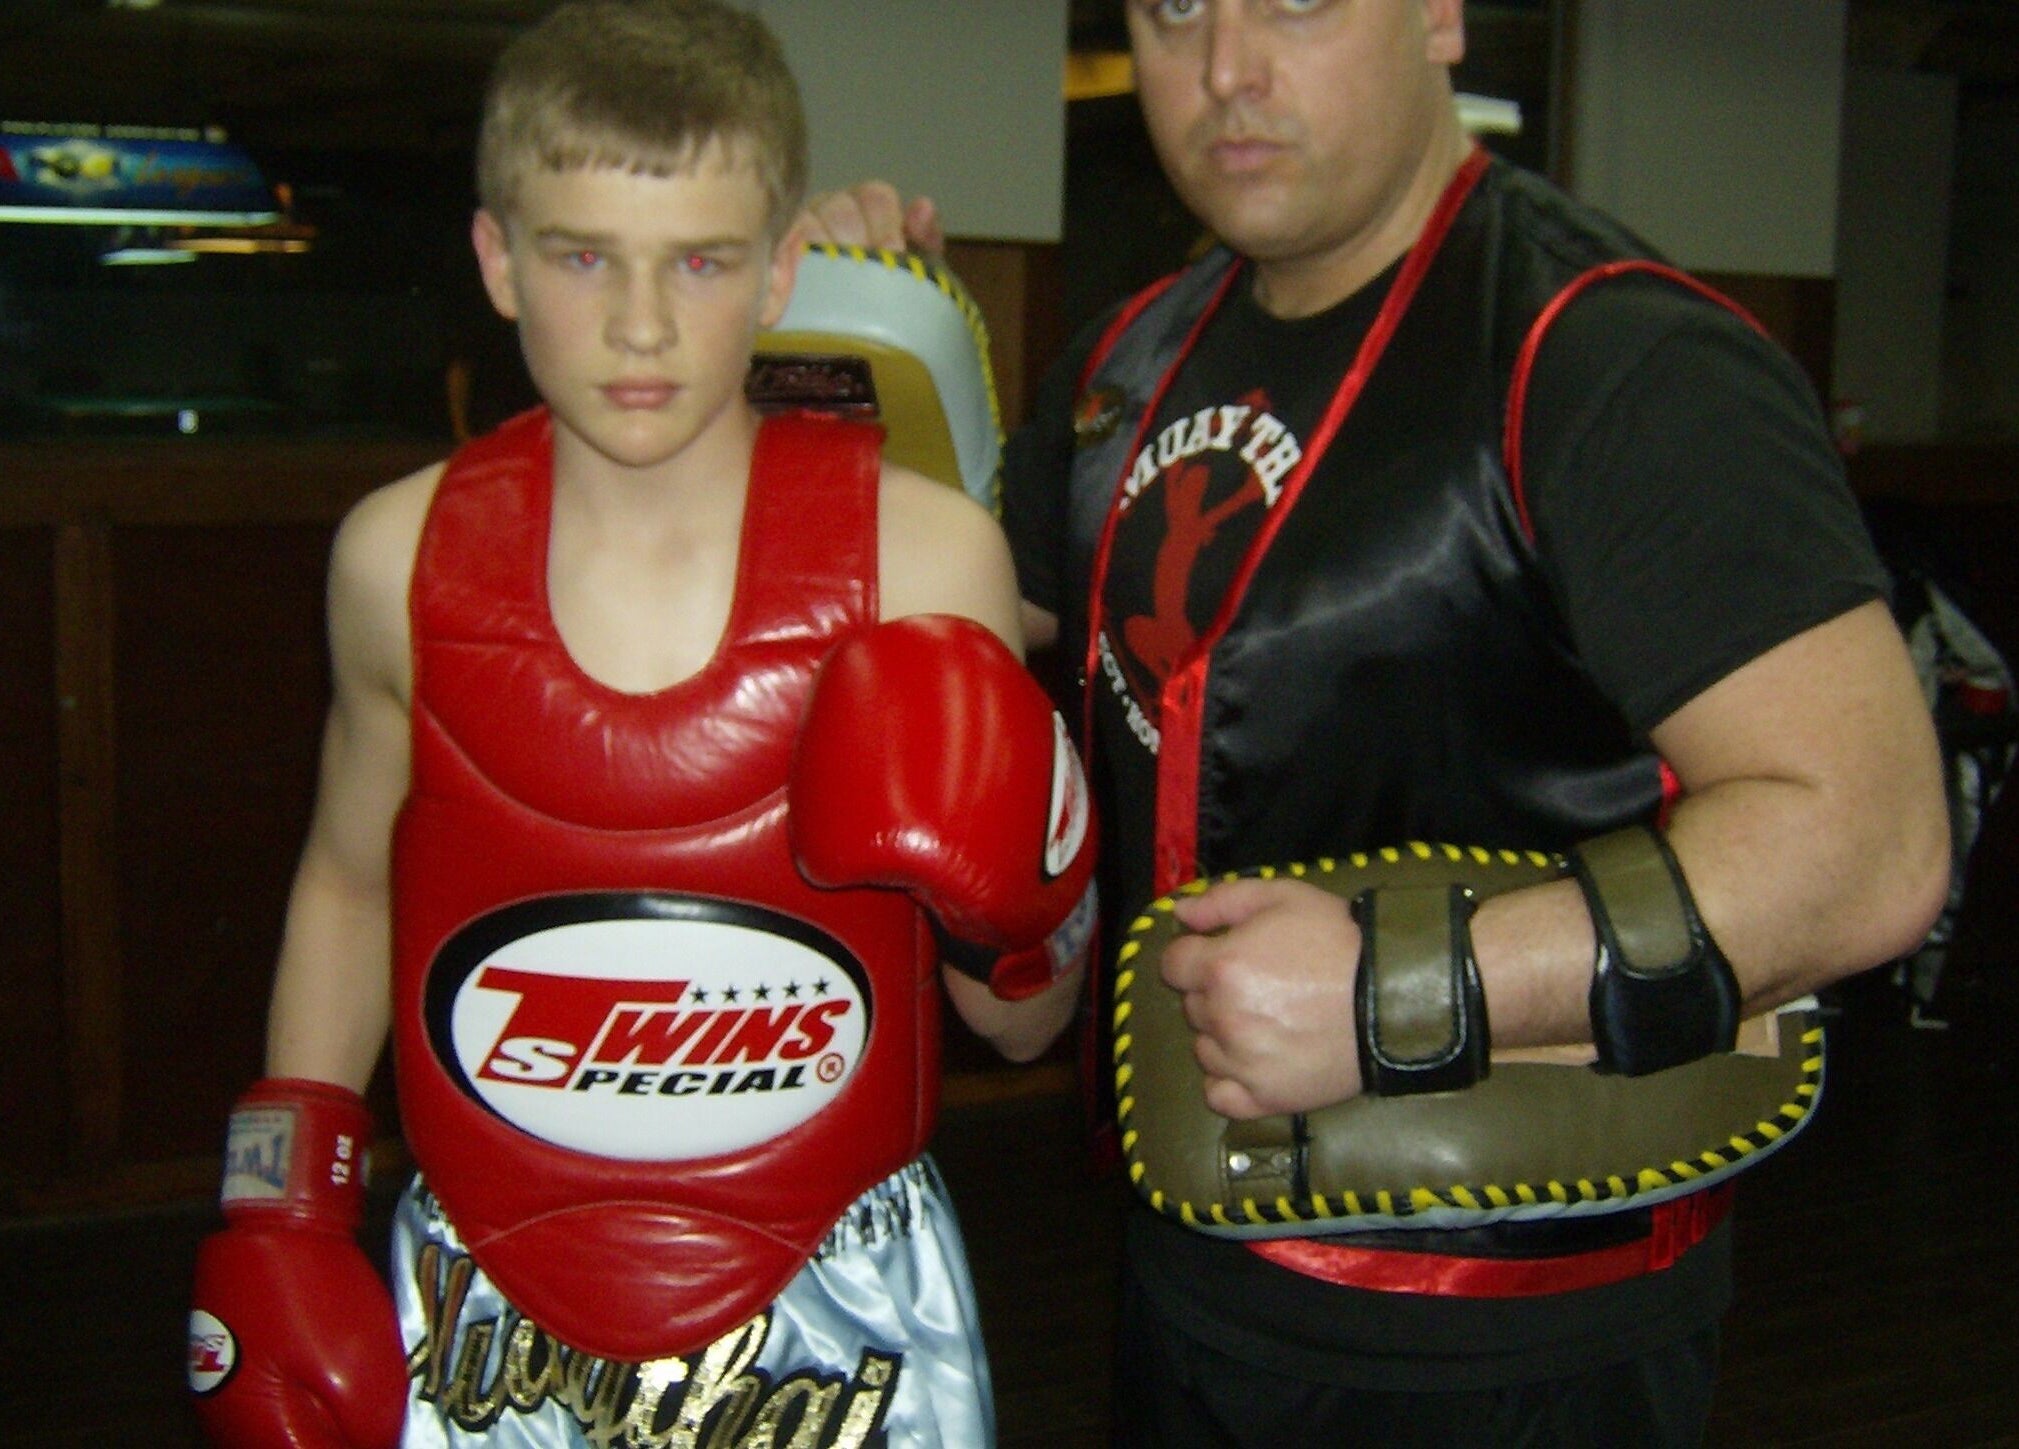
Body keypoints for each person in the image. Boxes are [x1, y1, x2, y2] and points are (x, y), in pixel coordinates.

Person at [804, 0, 1950, 1443]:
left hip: (1508, 1320)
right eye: (1172, 12)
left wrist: (1390, 993)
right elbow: (979, 621)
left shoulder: (1608, 355)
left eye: (1293, 0)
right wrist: (866, 359)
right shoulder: (1133, 359)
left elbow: (1870, 843)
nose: (1225, 69)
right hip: (1188, 1262)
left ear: (1441, 16)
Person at [183, 3, 1094, 1445]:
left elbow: (1024, 1021)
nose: (643, 325)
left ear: (783, 267)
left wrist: (1027, 913)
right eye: (582, 253)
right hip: (493, 1291)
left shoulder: (924, 566)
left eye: (704, 261)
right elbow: (351, 883)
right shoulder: (393, 560)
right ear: (496, 258)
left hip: (835, 1298)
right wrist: (280, 1211)